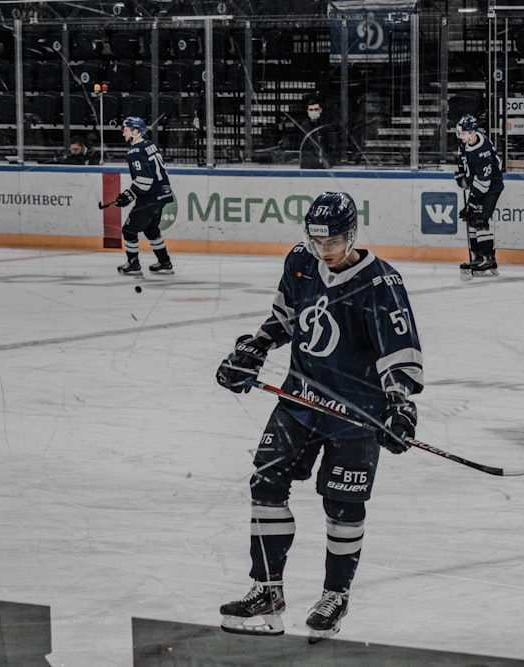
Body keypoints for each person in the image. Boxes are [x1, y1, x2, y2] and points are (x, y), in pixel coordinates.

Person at [214, 191, 424, 642]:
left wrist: (399, 402)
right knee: (265, 482)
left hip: (357, 412)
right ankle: (267, 588)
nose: (323, 251)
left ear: (351, 235)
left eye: (331, 243)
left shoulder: (381, 283)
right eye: (315, 241)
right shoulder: (300, 261)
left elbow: (398, 352)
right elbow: (285, 317)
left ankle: (335, 594)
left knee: (343, 505)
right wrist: (253, 348)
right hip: (299, 402)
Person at [114, 116, 175, 276]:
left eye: (126, 130)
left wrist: (128, 195)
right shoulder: (150, 145)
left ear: (135, 131)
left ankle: (133, 263)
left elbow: (145, 179)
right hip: (162, 194)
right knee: (151, 229)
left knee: (128, 231)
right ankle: (164, 261)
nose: (123, 134)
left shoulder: (135, 151)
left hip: (149, 198)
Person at [454, 114, 503, 279]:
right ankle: (478, 257)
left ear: (473, 132)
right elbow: (463, 160)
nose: (460, 136)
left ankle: (490, 259)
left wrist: (473, 201)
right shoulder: (465, 142)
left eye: (463, 133)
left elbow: (485, 180)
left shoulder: (483, 150)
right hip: (478, 185)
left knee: (480, 219)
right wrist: (461, 174)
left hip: (491, 187)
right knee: (471, 218)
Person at [295, 95, 338, 169]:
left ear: (320, 110)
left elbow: (332, 147)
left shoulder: (326, 127)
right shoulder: (303, 128)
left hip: (323, 167)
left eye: (316, 109)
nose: (313, 112)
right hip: (307, 166)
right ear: (307, 111)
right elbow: (301, 147)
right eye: (311, 110)